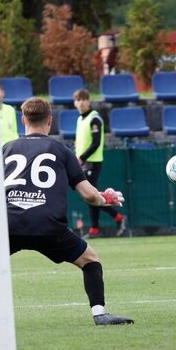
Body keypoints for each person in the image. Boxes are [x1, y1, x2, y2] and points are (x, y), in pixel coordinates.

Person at [0, 97, 133, 325]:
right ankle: (100, 314)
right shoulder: (61, 150)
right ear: (50, 121)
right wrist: (105, 198)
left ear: (23, 120)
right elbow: (89, 195)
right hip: (48, 225)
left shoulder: (6, 149)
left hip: (9, 224)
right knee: (90, 260)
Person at [73, 88, 126, 238]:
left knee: (90, 195)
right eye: (78, 100)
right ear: (75, 103)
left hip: (92, 163)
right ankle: (111, 220)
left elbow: (96, 143)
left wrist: (81, 157)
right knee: (90, 195)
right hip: (83, 163)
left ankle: (100, 226)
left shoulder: (95, 118)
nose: (81, 102)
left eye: (84, 99)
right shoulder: (80, 119)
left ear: (88, 101)